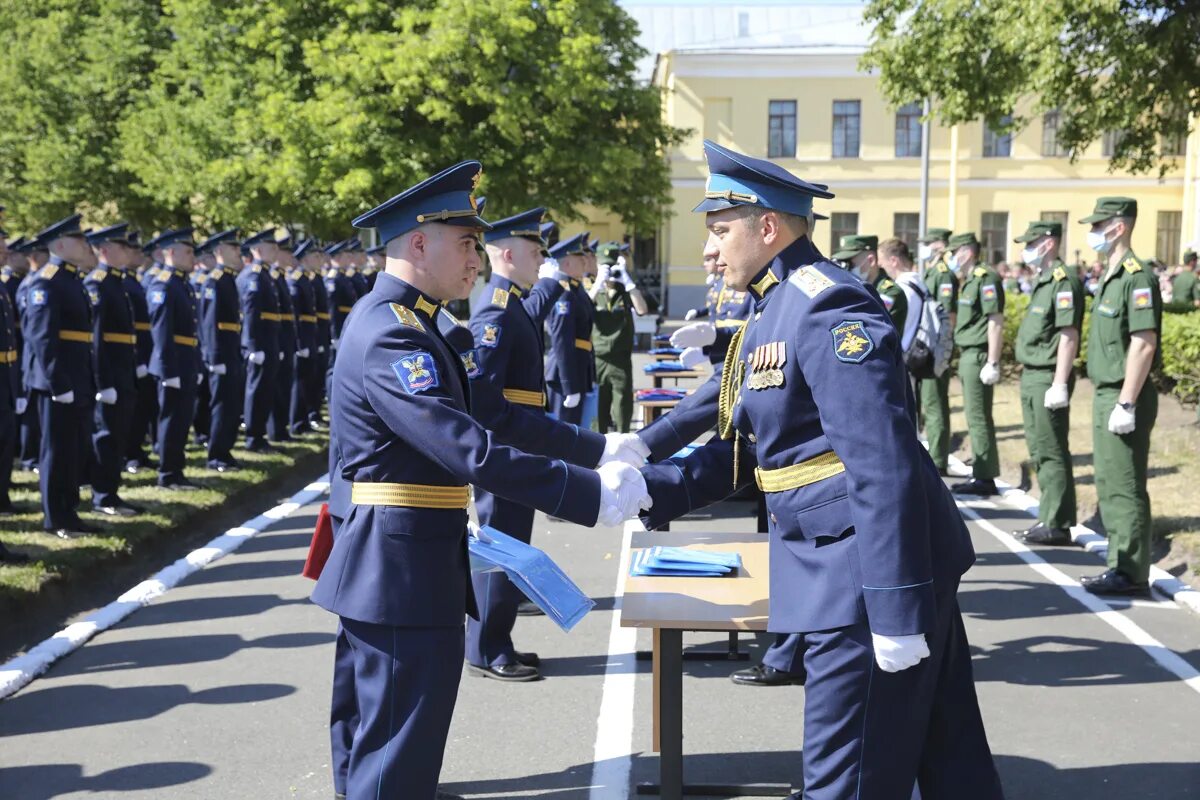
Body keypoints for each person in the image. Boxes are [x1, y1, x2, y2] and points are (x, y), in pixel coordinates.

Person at [632, 140, 1003, 799]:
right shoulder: (774, 306)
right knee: (950, 762)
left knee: (847, 781)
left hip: (866, 579)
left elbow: (881, 465)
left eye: (719, 232)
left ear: (766, 228)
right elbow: (758, 447)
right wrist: (647, 484)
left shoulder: (828, 306)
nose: (710, 251)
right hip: (851, 566)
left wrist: (892, 609)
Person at [311, 160, 648, 799]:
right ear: (418, 243)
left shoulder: (422, 323)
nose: (477, 258)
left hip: (406, 560)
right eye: (466, 242)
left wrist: (599, 447)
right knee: (392, 739)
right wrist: (587, 494)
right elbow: (467, 448)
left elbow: (495, 416)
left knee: (386, 737)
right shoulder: (393, 335)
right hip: (397, 567)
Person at [1079, 197, 1162, 595]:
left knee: (1125, 483)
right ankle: (1120, 562)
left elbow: (1143, 342)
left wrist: (1127, 401)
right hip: (1106, 392)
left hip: (1124, 394)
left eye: (1099, 225)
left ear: (1119, 226)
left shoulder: (1136, 276)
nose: (1093, 232)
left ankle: (1129, 570)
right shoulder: (1111, 274)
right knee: (1110, 481)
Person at [22, 214, 101, 538]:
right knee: (56, 451)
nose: (85, 245)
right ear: (61, 244)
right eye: (79, 240)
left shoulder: (71, 279)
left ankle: (70, 512)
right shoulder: (47, 280)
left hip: (77, 378)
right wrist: (58, 383)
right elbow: (42, 337)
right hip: (58, 382)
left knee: (74, 449)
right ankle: (56, 518)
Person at [1010, 221, 1084, 546]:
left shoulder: (1062, 281)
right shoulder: (1043, 281)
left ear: (1049, 243)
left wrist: (1060, 383)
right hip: (1032, 375)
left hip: (1047, 375)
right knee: (1039, 450)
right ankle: (1049, 513)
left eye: (1032, 242)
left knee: (1051, 450)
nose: (1027, 249)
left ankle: (1058, 522)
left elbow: (1068, 335)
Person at [84, 224, 142, 516]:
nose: (128, 252)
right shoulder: (97, 283)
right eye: (122, 247)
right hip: (110, 373)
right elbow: (96, 339)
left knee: (119, 434)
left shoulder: (116, 281)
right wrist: (102, 381)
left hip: (123, 370)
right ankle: (103, 496)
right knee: (106, 436)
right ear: (105, 250)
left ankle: (112, 492)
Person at [146, 228, 203, 491]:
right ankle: (167, 473)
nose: (193, 257)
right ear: (170, 253)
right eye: (188, 251)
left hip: (186, 361)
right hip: (172, 364)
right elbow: (161, 332)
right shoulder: (163, 283)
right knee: (170, 420)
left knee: (182, 419)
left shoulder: (182, 282)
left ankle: (177, 471)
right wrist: (168, 371)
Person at [949, 232, 1005, 496]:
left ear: (967, 252)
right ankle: (982, 471)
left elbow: (995, 320)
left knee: (979, 417)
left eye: (955, 251)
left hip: (979, 354)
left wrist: (993, 361)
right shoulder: (971, 280)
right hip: (969, 353)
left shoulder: (986, 278)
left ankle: (985, 476)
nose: (952, 257)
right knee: (974, 416)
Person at [196, 230, 244, 472]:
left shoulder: (228, 279)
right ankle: (216, 455)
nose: (238, 252)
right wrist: (214, 357)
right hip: (221, 355)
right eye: (233, 248)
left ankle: (225, 451)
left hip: (231, 351)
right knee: (222, 406)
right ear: (219, 252)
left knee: (232, 406)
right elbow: (209, 322)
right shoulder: (214, 280)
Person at [590, 242, 649, 433]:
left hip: (620, 358)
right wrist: (598, 282)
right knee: (597, 413)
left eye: (612, 265)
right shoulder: (591, 287)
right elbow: (582, 310)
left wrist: (628, 281)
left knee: (623, 409)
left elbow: (642, 310)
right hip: (597, 358)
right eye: (605, 265)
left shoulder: (626, 290)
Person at [915, 228, 957, 476]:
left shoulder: (943, 275)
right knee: (928, 403)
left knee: (935, 404)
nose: (925, 248)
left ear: (940, 245)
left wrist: (943, 351)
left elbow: (947, 316)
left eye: (929, 243)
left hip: (936, 349)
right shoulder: (932, 271)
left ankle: (940, 458)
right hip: (927, 348)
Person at [543, 233, 595, 425]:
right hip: (564, 375)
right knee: (563, 434)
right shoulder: (563, 293)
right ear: (566, 264)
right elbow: (561, 341)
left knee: (577, 432)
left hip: (577, 371)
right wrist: (569, 385)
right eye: (579, 258)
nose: (585, 262)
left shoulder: (575, 289)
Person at [239, 229, 282, 452]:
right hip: (260, 341)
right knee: (256, 390)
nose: (276, 251)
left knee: (265, 389)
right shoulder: (253, 275)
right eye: (270, 247)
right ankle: (253, 437)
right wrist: (253, 345)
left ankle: (259, 435)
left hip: (269, 340)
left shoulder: (265, 274)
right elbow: (250, 313)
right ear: (256, 250)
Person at [831, 234, 908, 333]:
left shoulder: (890, 292)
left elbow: (867, 324)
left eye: (851, 264)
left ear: (871, 260)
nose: (847, 269)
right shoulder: (857, 288)